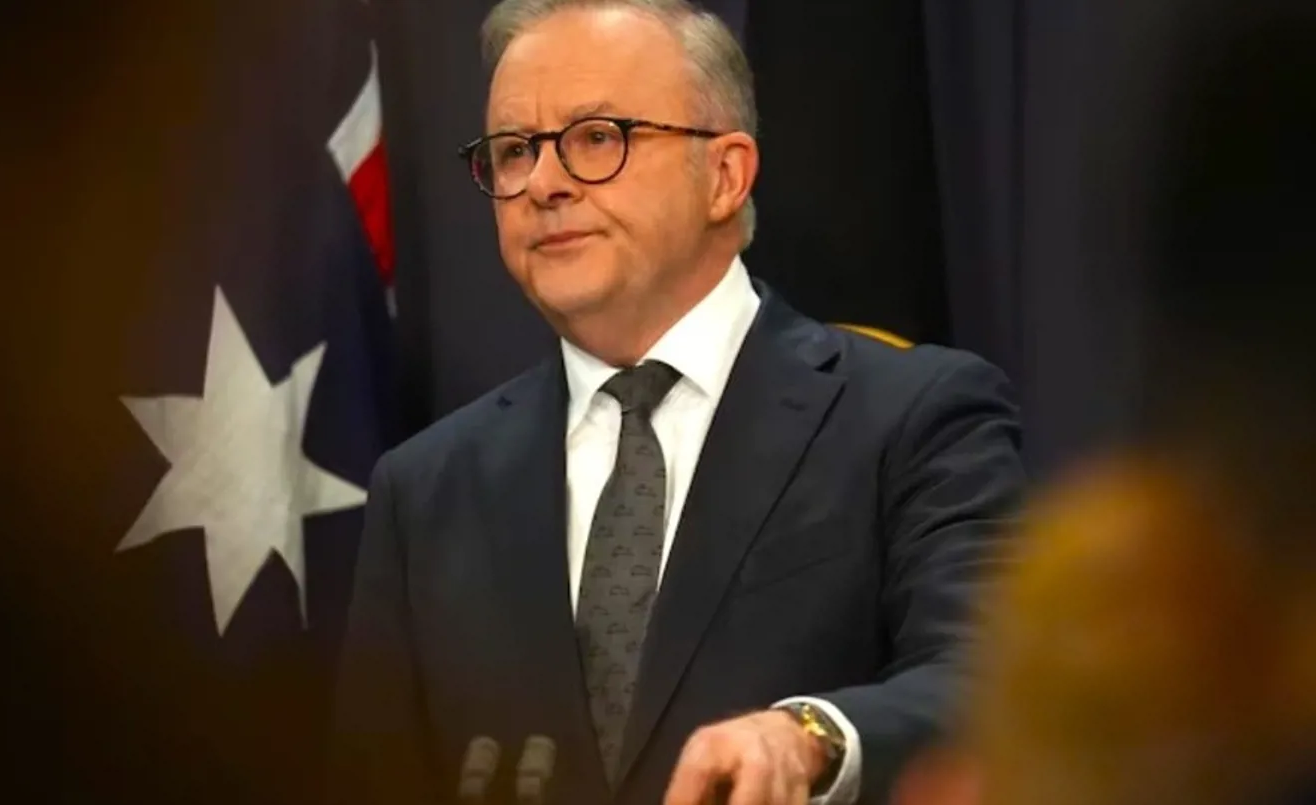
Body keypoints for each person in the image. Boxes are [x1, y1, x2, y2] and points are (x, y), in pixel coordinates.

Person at [328, 1, 1024, 803]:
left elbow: (988, 682)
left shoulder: (913, 417)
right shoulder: (425, 488)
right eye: (514, 151)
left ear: (724, 175)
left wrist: (808, 736)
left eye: (597, 137)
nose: (543, 184)